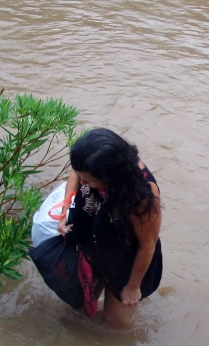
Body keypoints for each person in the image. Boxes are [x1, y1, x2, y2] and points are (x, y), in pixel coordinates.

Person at [57, 128, 163, 328]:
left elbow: (147, 245)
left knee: (116, 324)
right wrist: (65, 210)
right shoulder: (90, 161)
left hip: (126, 253)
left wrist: (133, 287)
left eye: (88, 180)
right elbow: (76, 174)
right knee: (78, 309)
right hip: (96, 233)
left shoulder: (141, 195)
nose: (82, 182)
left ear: (110, 177)